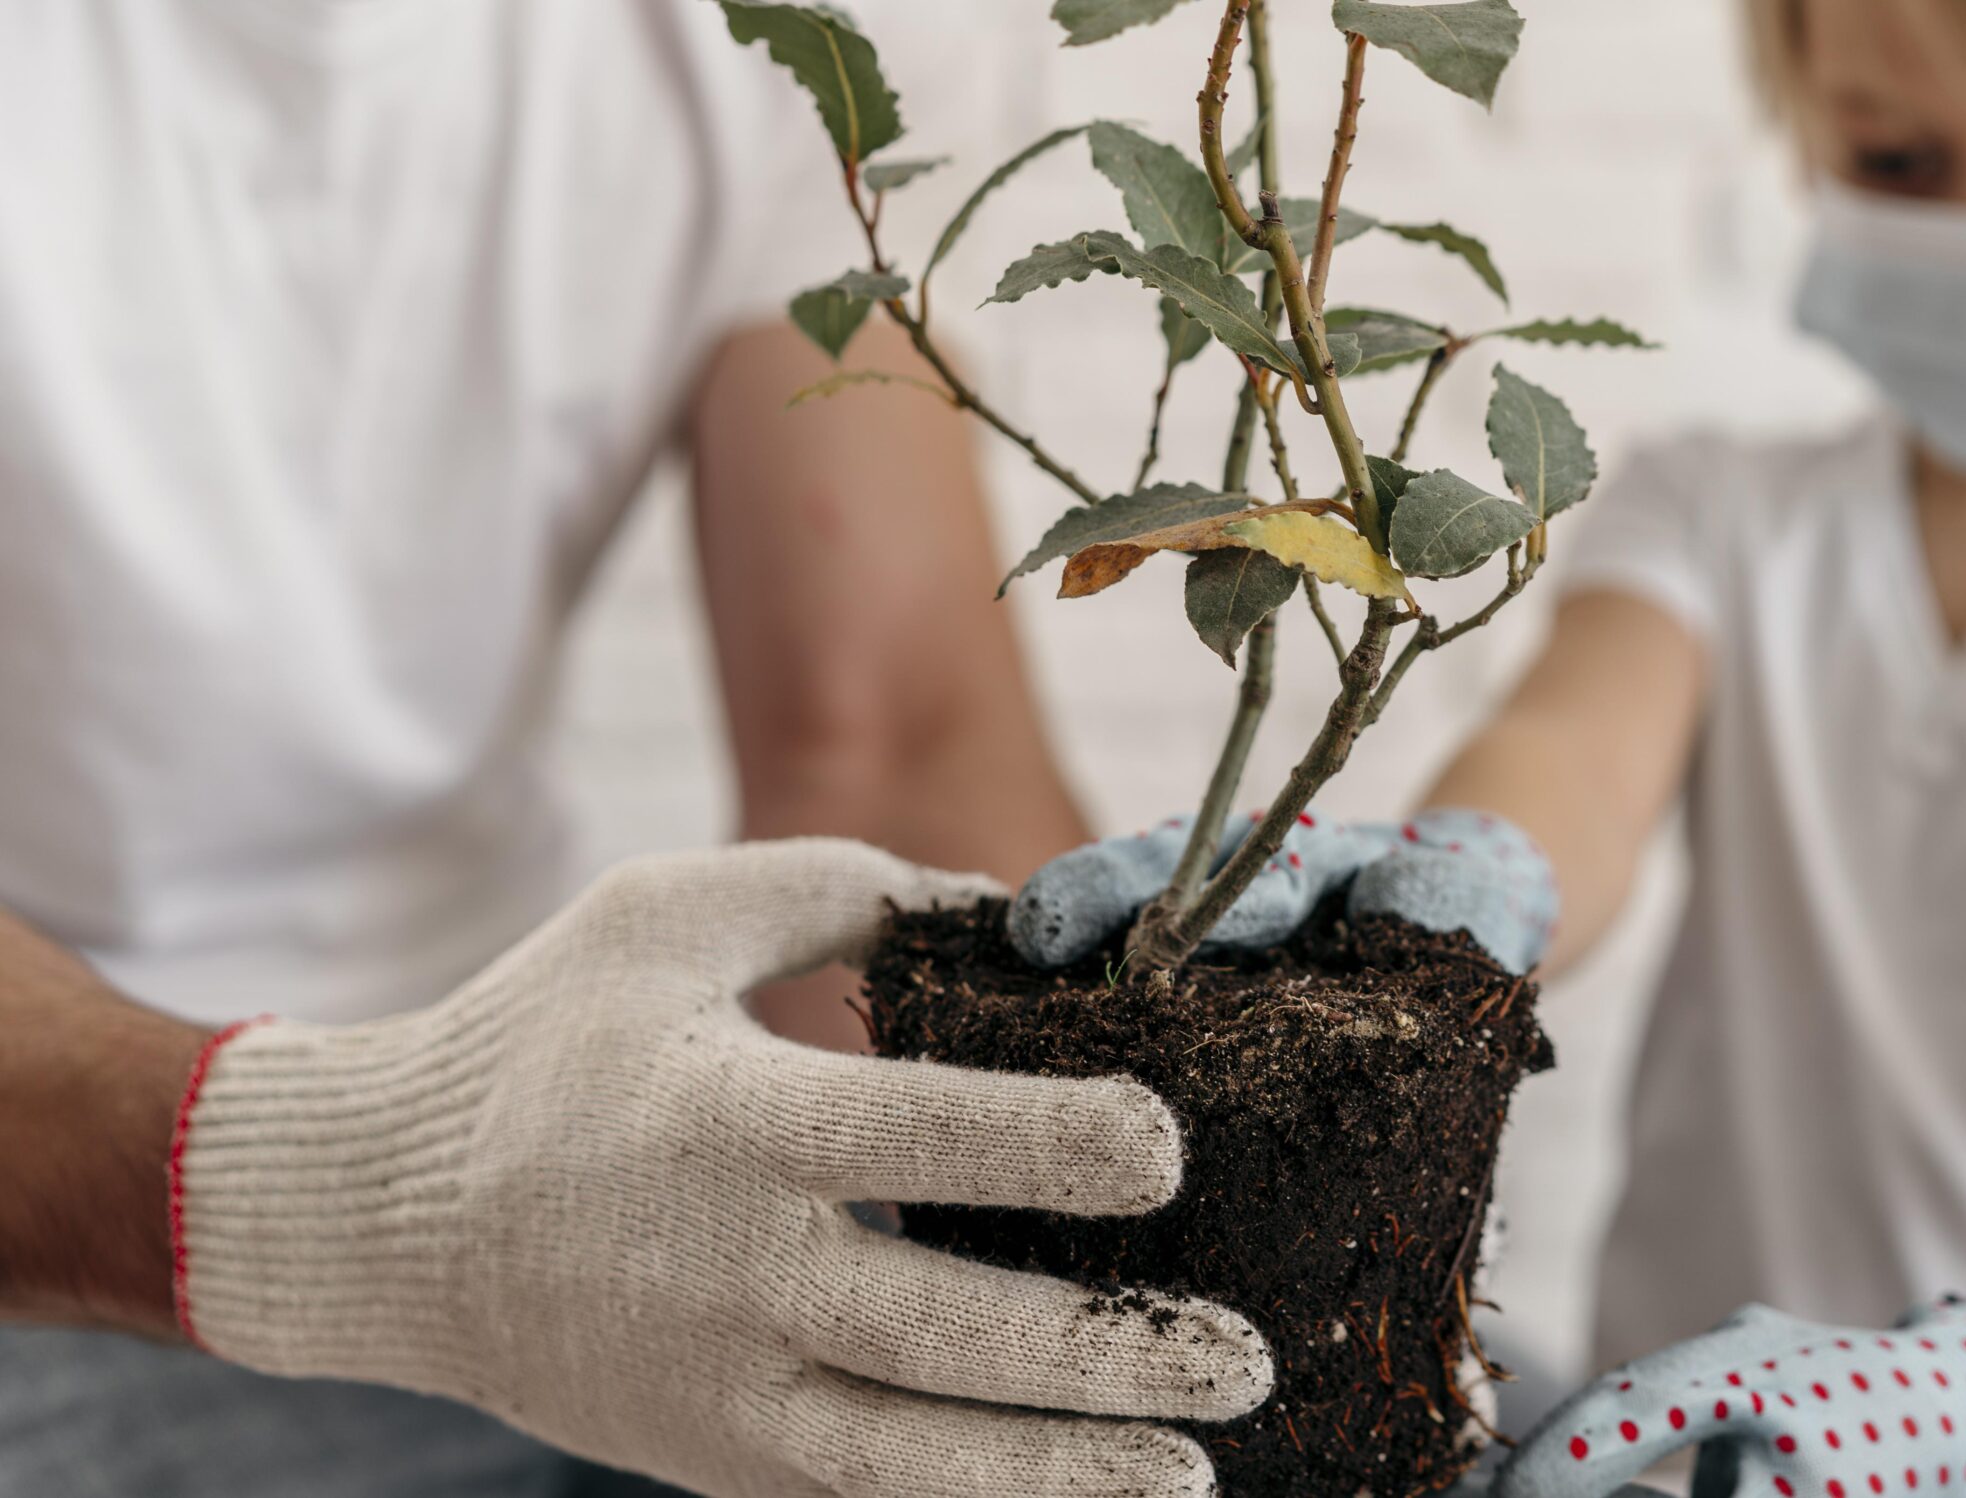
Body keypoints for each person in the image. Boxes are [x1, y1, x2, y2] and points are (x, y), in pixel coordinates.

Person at [1015, 0, 1966, 1492]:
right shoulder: (1721, 520)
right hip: (1687, 1456)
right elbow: (1575, 761)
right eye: (1902, 160)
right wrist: (1455, 886)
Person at [0, 3, 1268, 1495]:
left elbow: (882, 741)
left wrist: (1163, 1177)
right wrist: (345, 1185)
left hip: (523, 1145)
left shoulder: (797, 37)